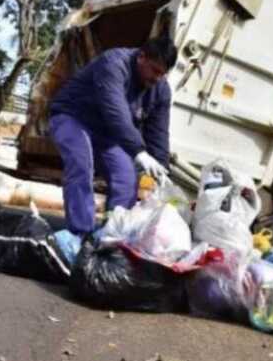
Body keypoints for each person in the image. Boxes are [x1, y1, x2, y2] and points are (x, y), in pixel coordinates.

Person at [49, 37, 178, 235]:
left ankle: (112, 235)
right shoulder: (113, 63)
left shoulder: (161, 90)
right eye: (155, 70)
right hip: (72, 118)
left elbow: (158, 132)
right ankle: (80, 233)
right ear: (141, 57)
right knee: (81, 164)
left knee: (126, 179)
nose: (157, 79)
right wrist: (139, 151)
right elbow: (115, 111)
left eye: (163, 74)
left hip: (108, 135)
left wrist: (161, 168)